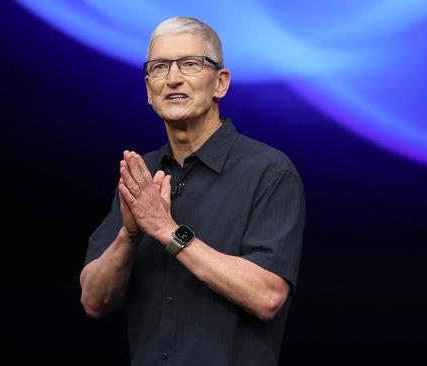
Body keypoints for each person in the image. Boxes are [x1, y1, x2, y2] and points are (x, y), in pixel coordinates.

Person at [79, 16, 305, 365]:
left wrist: (168, 232)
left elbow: (267, 296)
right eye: (160, 67)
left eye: (189, 64)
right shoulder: (143, 176)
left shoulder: (270, 171)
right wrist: (129, 234)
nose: (172, 79)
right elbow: (94, 301)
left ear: (221, 83)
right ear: (148, 90)